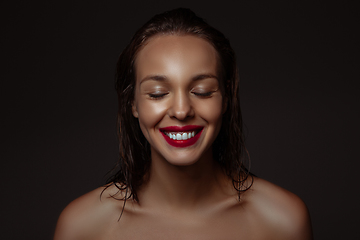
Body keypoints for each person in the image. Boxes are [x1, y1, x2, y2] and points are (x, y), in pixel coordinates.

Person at [54, 8, 313, 240]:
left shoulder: (283, 220)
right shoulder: (82, 227)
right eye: (157, 93)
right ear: (132, 104)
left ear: (225, 99)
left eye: (202, 91)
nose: (181, 111)